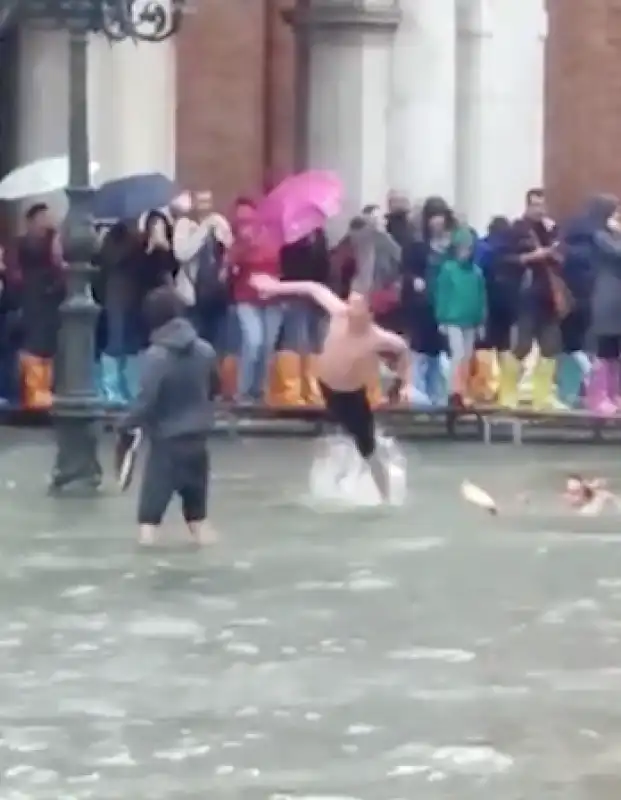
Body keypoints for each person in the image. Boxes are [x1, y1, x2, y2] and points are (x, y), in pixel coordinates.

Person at [249, 273, 411, 502]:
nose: (349, 308)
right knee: (340, 433)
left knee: (368, 448)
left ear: (369, 313)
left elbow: (403, 350)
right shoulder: (338, 313)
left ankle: (385, 498)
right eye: (350, 302)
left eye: (356, 306)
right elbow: (311, 286)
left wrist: (405, 383)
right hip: (325, 387)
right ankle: (345, 471)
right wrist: (275, 288)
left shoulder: (377, 338)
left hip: (352, 396)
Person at [118, 286, 219, 546]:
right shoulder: (206, 351)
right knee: (198, 519)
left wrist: (124, 426)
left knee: (148, 521)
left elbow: (145, 401)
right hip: (199, 445)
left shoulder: (156, 356)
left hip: (167, 447)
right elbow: (215, 389)